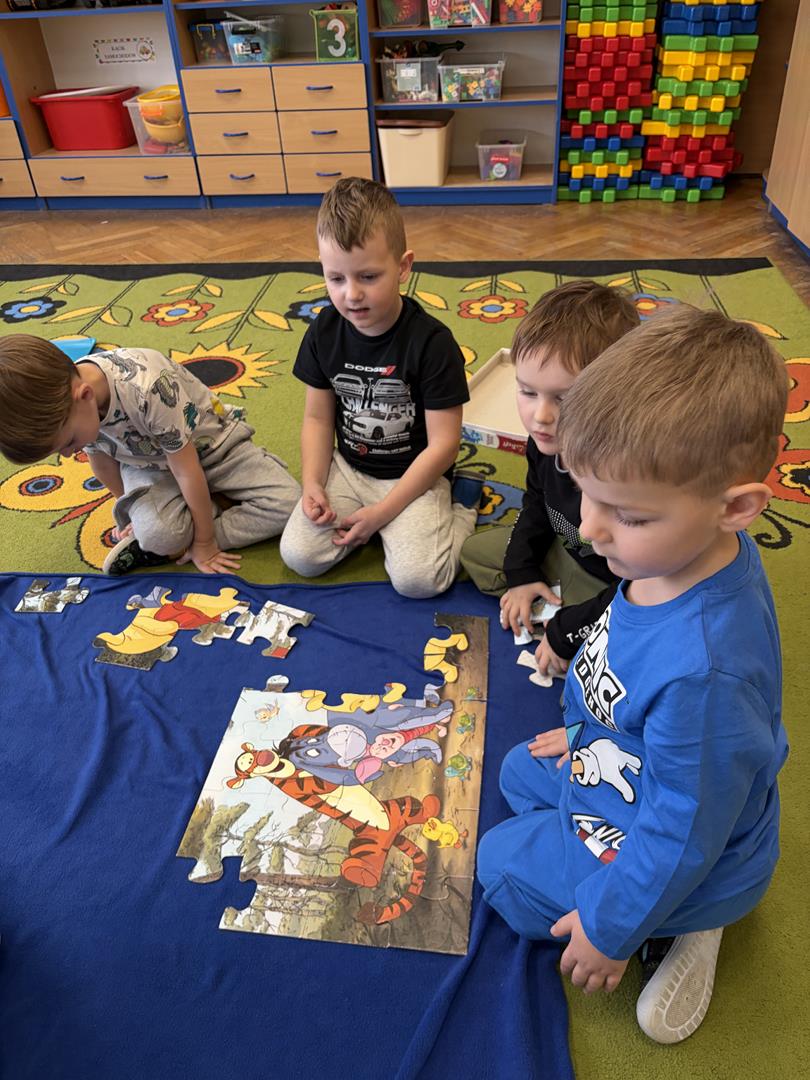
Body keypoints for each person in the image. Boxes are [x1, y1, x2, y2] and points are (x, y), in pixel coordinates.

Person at [477, 306, 789, 1045]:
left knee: (499, 869)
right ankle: (648, 893)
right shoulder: (672, 554)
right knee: (519, 769)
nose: (589, 530)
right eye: (587, 493)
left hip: (698, 851)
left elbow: (684, 829)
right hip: (630, 775)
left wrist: (609, 926)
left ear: (736, 508)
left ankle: (692, 920)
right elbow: (621, 667)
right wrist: (586, 731)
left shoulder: (704, 674)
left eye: (628, 514)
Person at [280, 177, 480, 598]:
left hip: (415, 478)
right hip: (349, 471)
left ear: (403, 267)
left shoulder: (433, 343)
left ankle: (461, 508)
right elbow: (317, 420)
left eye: (368, 276)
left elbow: (444, 445)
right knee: (299, 556)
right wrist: (313, 483)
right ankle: (379, 527)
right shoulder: (323, 333)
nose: (351, 294)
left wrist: (383, 512)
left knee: (418, 581)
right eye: (335, 278)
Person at [459, 280, 639, 682]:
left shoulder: (629, 474)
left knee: (631, 653)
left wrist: (565, 633)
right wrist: (522, 574)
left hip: (620, 583)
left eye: (563, 398)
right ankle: (558, 606)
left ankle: (571, 620)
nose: (540, 416)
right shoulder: (544, 443)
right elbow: (536, 505)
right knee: (475, 554)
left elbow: (645, 584)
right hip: (567, 552)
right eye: (527, 392)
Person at [0, 336, 301, 574]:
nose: (68, 455)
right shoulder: (69, 405)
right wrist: (129, 513)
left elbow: (186, 470)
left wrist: (205, 541)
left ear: (86, 396)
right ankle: (199, 514)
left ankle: (195, 526)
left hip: (214, 446)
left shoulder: (148, 388)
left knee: (288, 503)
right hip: (147, 465)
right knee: (158, 535)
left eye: (69, 443)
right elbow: (102, 463)